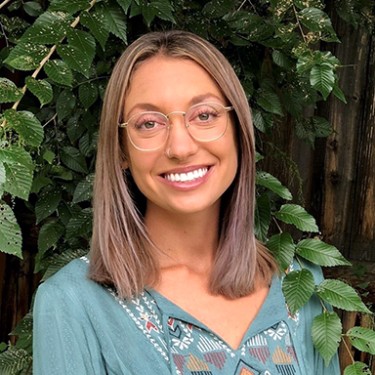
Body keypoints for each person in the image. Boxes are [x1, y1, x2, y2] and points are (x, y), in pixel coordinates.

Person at [33, 30, 340, 374]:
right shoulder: (72, 303)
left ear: (238, 129)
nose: (180, 147)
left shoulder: (300, 283)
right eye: (148, 123)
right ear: (121, 149)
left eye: (205, 115)